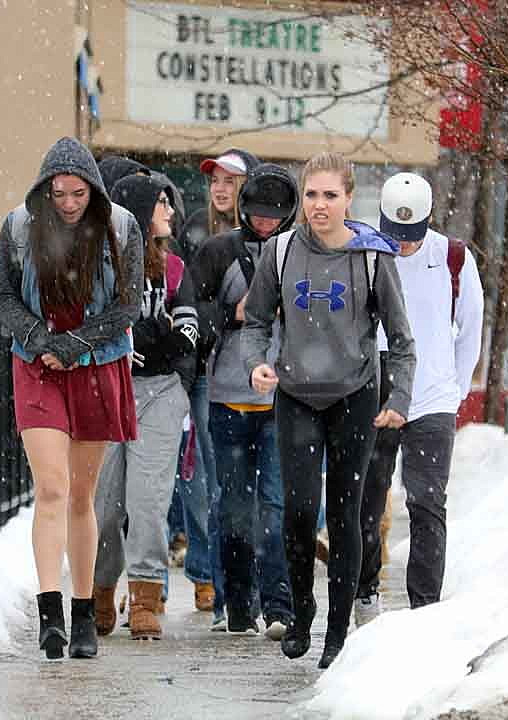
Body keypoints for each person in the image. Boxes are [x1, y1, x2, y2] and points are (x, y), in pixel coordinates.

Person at [240, 152, 416, 669]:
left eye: (330, 195)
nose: (319, 205)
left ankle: (337, 633)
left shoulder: (371, 257)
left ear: (348, 198)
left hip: (354, 397)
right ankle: (303, 610)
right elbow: (255, 323)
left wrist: (399, 399)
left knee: (346, 513)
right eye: (311, 195)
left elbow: (402, 340)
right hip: (295, 395)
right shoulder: (279, 252)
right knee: (297, 513)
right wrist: (257, 364)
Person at [0, 136, 143, 660]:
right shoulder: (18, 227)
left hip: (98, 363)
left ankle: (84, 611)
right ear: (45, 189)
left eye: (79, 193)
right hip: (37, 365)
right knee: (52, 487)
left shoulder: (122, 228)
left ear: (93, 191)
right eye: (59, 193)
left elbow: (128, 306)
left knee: (83, 494)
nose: (70, 203)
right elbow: (3, 295)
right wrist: (40, 341)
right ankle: (49, 612)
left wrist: (75, 344)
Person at [356, 172, 484, 624]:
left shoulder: (453, 259)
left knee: (427, 501)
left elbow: (470, 328)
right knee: (368, 496)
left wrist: (454, 388)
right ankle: (365, 590)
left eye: (411, 236)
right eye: (396, 235)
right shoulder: (367, 254)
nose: (404, 245)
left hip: (432, 398)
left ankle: (424, 605)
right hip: (377, 391)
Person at [191, 163, 297, 638]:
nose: (265, 223)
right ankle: (237, 607)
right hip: (228, 398)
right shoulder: (219, 251)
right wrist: (232, 315)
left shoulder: (300, 255)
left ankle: (279, 606)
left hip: (283, 400)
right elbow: (190, 312)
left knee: (275, 507)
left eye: (274, 216)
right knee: (233, 507)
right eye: (257, 214)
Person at [92, 174, 199, 640]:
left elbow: (188, 327)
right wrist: (137, 337)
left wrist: (155, 341)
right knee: (105, 505)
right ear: (137, 213)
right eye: (161, 204)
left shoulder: (174, 268)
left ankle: (146, 594)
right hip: (108, 391)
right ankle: (97, 590)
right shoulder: (103, 266)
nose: (171, 213)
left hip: (160, 392)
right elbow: (101, 321)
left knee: (148, 501)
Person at [175, 148, 260, 629]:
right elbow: (186, 304)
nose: (222, 188)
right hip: (202, 370)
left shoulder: (273, 241)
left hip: (250, 375)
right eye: (215, 180)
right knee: (201, 480)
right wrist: (227, 315)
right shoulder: (195, 234)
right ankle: (209, 576)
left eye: (232, 180)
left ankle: (231, 584)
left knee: (239, 486)